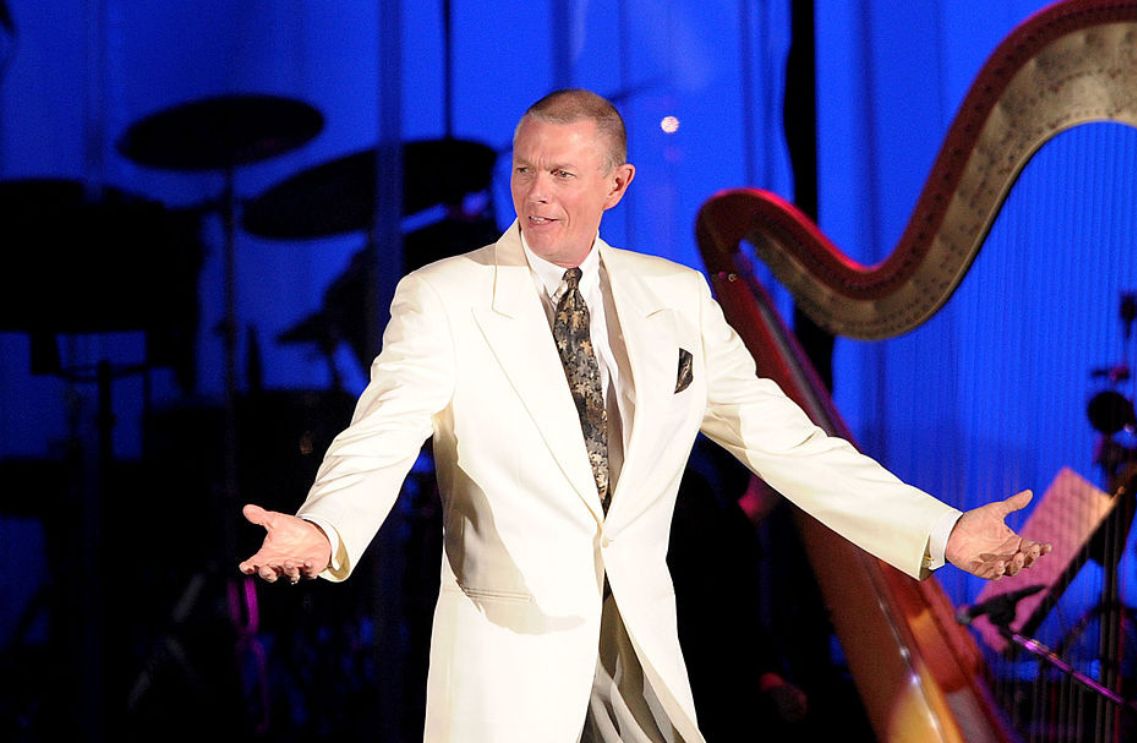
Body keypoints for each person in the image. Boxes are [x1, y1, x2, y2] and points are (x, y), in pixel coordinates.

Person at [239, 88, 1050, 742]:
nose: (537, 193)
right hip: (512, 662)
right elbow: (380, 430)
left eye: (561, 174)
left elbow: (786, 441)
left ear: (615, 184)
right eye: (525, 171)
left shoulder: (673, 297)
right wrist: (326, 526)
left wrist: (940, 530)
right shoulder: (443, 295)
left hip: (642, 650)